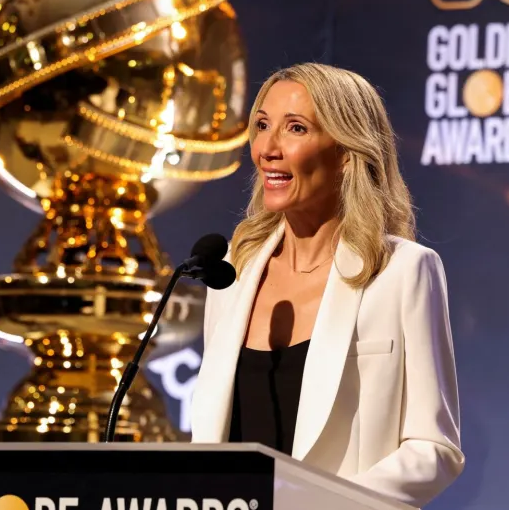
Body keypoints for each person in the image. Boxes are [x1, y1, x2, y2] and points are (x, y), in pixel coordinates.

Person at [189, 63, 464, 508]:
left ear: (347, 154)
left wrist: (319, 503)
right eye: (262, 126)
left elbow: (435, 450)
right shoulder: (231, 272)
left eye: (295, 128)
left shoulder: (403, 271)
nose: (267, 149)